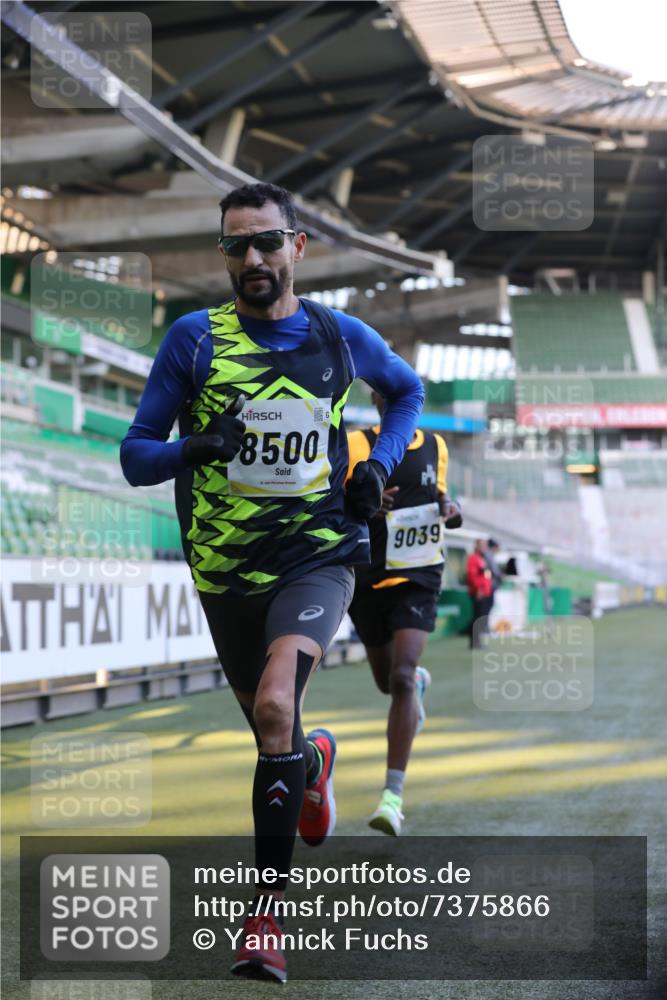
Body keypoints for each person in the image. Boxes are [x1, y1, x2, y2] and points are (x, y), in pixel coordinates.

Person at [120, 183, 424, 983]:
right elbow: (135, 455)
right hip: (224, 570)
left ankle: (265, 920)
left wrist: (378, 466)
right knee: (274, 733)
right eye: (234, 246)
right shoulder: (193, 341)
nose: (250, 259)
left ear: (298, 246)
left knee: (274, 705)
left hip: (318, 553)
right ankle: (311, 764)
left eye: (264, 242)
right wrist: (196, 447)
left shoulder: (337, 334)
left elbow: (407, 394)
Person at [346, 391, 462, 836]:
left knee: (399, 677)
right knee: (387, 683)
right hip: (367, 575)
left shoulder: (436, 445)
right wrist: (366, 505)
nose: (393, 400)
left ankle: (392, 797)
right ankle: (417, 685)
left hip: (419, 573)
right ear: (376, 398)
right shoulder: (357, 445)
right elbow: (334, 506)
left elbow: (443, 498)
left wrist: (452, 511)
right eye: (385, 392)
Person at [466, 538, 493, 648]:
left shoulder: (482, 558)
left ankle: (477, 642)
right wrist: (479, 589)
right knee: (478, 618)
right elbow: (472, 576)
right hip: (479, 593)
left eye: (485, 546)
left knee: (481, 618)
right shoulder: (473, 558)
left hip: (484, 592)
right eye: (482, 545)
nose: (484, 548)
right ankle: (475, 642)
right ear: (477, 546)